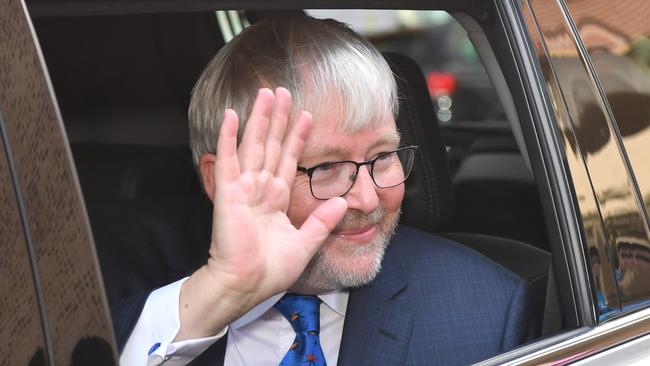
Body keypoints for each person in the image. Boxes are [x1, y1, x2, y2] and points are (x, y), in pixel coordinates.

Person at [115, 16, 530, 365]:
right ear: (221, 179)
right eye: (328, 167)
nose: (368, 199)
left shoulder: (485, 312)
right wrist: (219, 293)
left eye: (383, 156)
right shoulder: (105, 276)